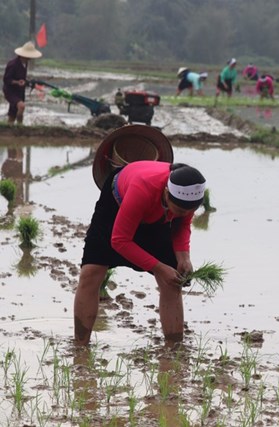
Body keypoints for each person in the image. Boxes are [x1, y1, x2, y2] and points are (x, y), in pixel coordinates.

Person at [74, 127, 207, 346]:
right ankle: (80, 346)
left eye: (187, 211)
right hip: (117, 204)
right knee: (91, 273)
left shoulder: (188, 196)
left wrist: (183, 258)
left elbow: (182, 226)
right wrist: (159, 267)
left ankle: (174, 350)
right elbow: (119, 240)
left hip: (156, 217)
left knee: (173, 281)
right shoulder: (144, 188)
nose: (181, 215)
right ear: (166, 192)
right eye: (178, 209)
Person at [3, 41, 42, 125]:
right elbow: (6, 79)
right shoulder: (12, 64)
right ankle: (20, 127)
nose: (30, 58)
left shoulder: (25, 63)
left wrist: (27, 82)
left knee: (13, 114)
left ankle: (9, 129)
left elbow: (22, 78)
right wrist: (17, 82)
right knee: (21, 106)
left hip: (19, 91)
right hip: (10, 91)